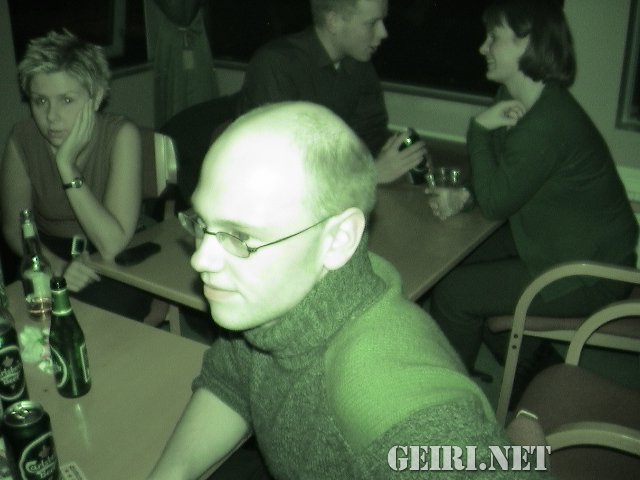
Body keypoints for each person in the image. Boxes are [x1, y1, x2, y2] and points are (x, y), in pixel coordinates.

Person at [148, 101, 555, 479]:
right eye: (201, 223)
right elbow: (232, 381)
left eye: (240, 236)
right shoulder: (270, 299)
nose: (200, 259)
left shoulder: (386, 400)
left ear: (339, 239)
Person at [426, 0, 639, 396]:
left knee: (455, 293)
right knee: (454, 261)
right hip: (550, 241)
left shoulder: (548, 122)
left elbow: (496, 202)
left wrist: (478, 129)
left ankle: (445, 399)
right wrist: (463, 197)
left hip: (591, 271)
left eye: (494, 37)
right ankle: (530, 369)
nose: (483, 47)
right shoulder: (518, 98)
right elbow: (501, 172)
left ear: (528, 44)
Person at [1, 29, 152, 320]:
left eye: (66, 100)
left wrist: (66, 165)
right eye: (40, 101)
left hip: (111, 249)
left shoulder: (122, 135)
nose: (51, 116)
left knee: (101, 316)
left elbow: (111, 244)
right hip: (45, 250)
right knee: (24, 314)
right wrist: (56, 267)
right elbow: (14, 228)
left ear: (96, 97)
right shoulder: (21, 139)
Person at [236, 0, 427, 184]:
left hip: (339, 189)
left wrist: (402, 158)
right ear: (333, 22)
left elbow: (370, 135)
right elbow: (279, 167)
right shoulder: (276, 66)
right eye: (371, 23)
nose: (383, 33)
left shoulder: (358, 64)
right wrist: (370, 175)